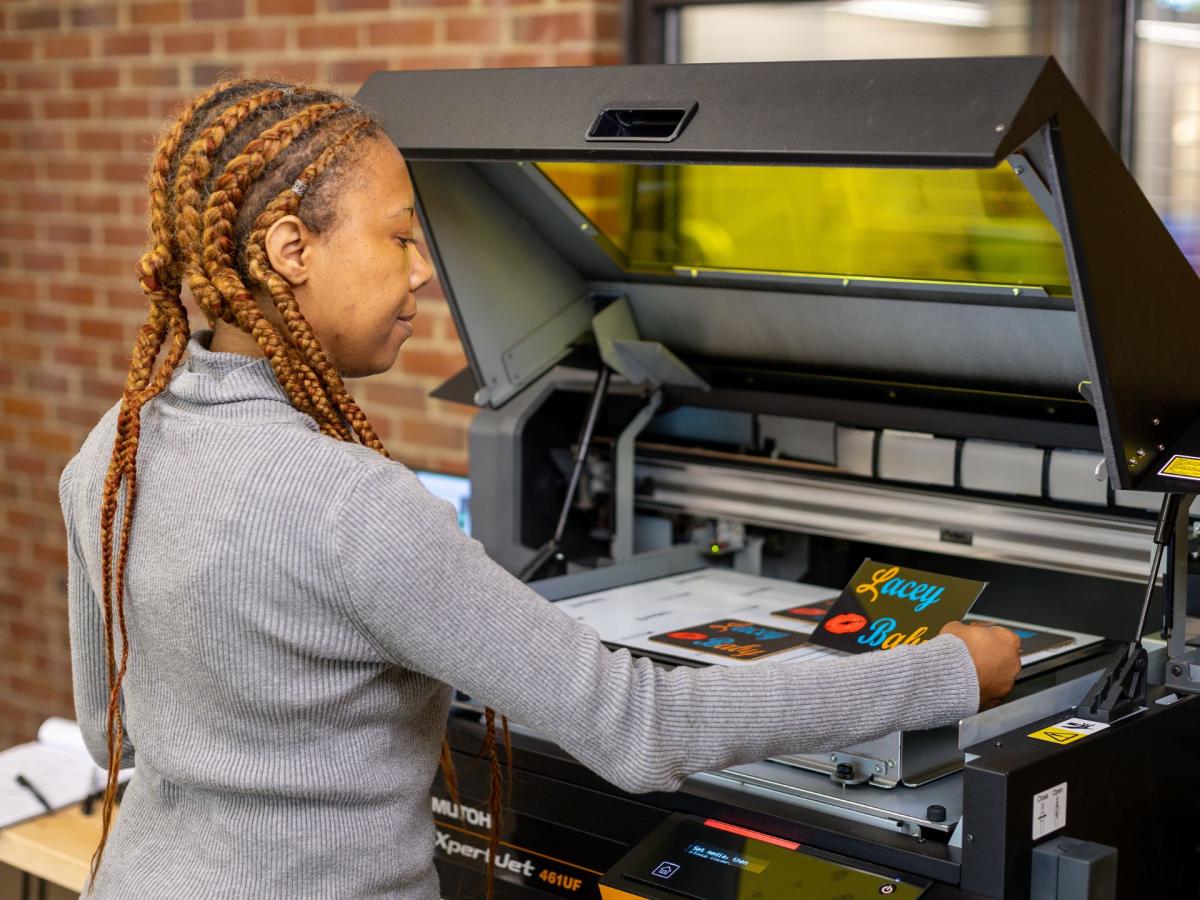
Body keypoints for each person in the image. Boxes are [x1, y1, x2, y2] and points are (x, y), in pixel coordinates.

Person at [58, 79, 1022, 900]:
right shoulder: (355, 509)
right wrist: (942, 674)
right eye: (398, 237)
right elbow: (639, 728)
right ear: (288, 249)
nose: (424, 271)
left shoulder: (111, 453)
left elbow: (112, 730)